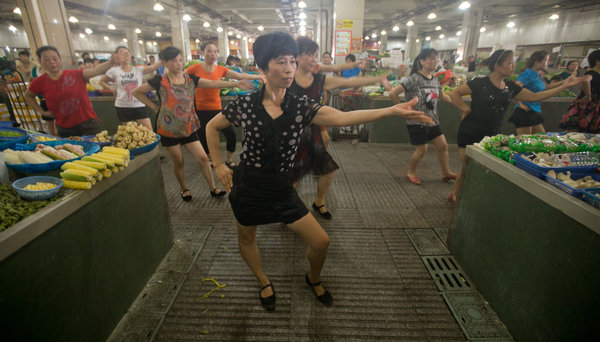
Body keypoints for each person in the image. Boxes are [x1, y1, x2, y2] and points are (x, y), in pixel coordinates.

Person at [205, 31, 433, 312]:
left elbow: (343, 117)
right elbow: (211, 127)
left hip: (282, 188)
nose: (289, 68)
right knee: (247, 238)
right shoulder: (245, 105)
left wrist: (389, 111)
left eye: (291, 61)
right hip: (248, 186)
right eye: (280, 62)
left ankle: (312, 278)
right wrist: (218, 164)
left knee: (321, 241)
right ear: (263, 68)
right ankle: (263, 280)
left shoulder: (301, 107)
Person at [448, 49, 588, 202]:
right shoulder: (479, 83)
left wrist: (562, 87)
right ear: (497, 66)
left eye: (514, 62)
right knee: (467, 166)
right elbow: (455, 93)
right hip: (470, 131)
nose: (513, 66)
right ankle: (455, 195)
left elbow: (534, 96)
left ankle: (471, 197)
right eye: (510, 63)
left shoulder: (510, 87)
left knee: (481, 166)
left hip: (492, 135)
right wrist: (464, 108)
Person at [290, 37, 391, 219]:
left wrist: (377, 78)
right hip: (290, 136)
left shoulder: (319, 80)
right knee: (292, 177)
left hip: (313, 133)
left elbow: (349, 82)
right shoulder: (286, 79)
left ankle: (319, 202)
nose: (314, 59)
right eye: (309, 55)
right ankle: (290, 208)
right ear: (297, 57)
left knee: (328, 170)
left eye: (315, 55)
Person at [132, 46, 245, 201]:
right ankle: (184, 189)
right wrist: (154, 107)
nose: (179, 64)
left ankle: (213, 188)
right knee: (179, 161)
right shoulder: (159, 80)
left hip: (188, 127)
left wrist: (235, 84)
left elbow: (212, 84)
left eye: (180, 60)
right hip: (168, 129)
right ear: (165, 62)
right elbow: (136, 92)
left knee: (203, 158)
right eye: (174, 61)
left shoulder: (190, 79)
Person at [185, 42, 260, 168]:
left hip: (217, 108)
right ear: (203, 53)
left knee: (231, 135)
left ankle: (229, 160)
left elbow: (240, 76)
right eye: (209, 51)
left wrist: (260, 76)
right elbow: (181, 77)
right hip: (200, 110)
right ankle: (210, 160)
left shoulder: (221, 70)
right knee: (204, 137)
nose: (212, 54)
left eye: (215, 51)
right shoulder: (195, 69)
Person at [24, 45, 126, 137]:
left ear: (59, 60)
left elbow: (95, 71)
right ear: (40, 61)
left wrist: (111, 62)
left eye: (55, 58)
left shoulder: (75, 74)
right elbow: (28, 96)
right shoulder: (39, 82)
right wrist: (42, 112)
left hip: (88, 124)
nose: (52, 62)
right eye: (46, 59)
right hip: (64, 128)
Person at [389, 49, 456, 185]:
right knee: (422, 150)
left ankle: (446, 172)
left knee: (443, 146)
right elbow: (393, 93)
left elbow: (442, 96)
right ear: (422, 61)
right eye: (431, 58)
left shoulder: (436, 80)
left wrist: (458, 102)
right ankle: (411, 172)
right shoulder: (414, 78)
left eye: (436, 58)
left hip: (433, 120)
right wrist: (403, 110)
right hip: (416, 120)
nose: (434, 61)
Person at [509, 50, 575, 135]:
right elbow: (513, 90)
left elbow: (545, 87)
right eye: (546, 60)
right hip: (523, 113)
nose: (548, 62)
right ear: (537, 61)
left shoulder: (538, 74)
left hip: (532, 111)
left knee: (542, 138)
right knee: (526, 142)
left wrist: (564, 82)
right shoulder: (526, 75)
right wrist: (520, 104)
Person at [99, 46, 161, 130]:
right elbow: (102, 81)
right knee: (130, 134)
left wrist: (166, 57)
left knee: (149, 132)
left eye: (127, 53)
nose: (126, 55)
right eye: (122, 53)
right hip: (123, 106)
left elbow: (154, 67)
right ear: (117, 56)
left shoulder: (138, 70)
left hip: (139, 105)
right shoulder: (114, 70)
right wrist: (112, 89)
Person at [560, 50, 600, 133]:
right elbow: (585, 80)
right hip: (587, 108)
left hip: (592, 108)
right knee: (579, 134)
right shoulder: (592, 73)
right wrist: (589, 96)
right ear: (597, 61)